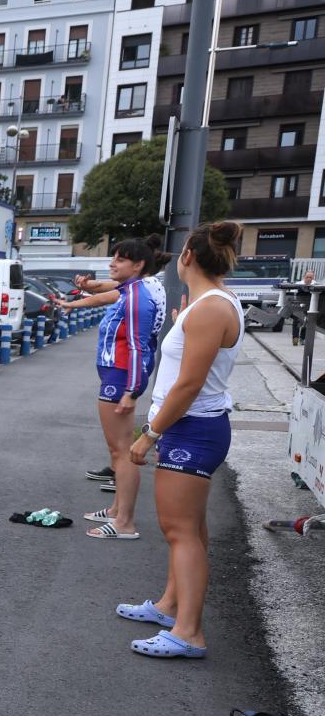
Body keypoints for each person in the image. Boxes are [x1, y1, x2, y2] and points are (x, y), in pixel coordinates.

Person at [120, 221, 246, 659]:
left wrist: (148, 435)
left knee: (180, 533)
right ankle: (170, 605)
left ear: (188, 256)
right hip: (193, 428)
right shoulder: (210, 303)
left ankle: (189, 631)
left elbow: (189, 385)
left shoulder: (211, 307)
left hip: (191, 429)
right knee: (189, 529)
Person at [54, 238, 168, 540]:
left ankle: (125, 522)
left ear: (138, 265)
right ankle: (117, 509)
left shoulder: (137, 297)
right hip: (114, 374)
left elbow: (138, 346)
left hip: (120, 377)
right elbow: (98, 295)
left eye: (120, 259)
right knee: (116, 448)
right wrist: (75, 299)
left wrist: (132, 391)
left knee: (122, 451)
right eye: (113, 257)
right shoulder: (129, 291)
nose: (112, 263)